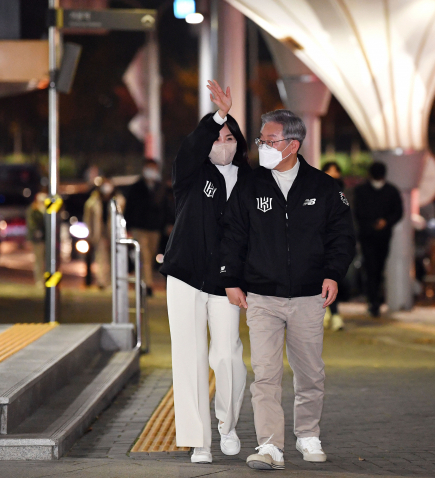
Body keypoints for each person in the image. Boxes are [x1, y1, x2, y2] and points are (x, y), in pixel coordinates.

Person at [219, 110, 355, 470]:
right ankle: (270, 446)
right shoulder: (250, 185)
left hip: (310, 297)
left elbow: (342, 237)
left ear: (292, 145)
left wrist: (333, 274)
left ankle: (308, 435)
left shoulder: (323, 187)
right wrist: (230, 279)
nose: (261, 145)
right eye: (261, 139)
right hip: (262, 297)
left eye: (269, 140)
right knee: (265, 375)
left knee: (310, 373)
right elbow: (232, 234)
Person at [159, 80, 251, 464]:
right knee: (189, 356)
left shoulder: (251, 181)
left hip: (226, 283)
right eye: (218, 136)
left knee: (227, 355)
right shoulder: (191, 175)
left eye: (230, 137)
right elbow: (191, 148)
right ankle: (199, 440)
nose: (223, 142)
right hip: (184, 276)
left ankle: (227, 425)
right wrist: (219, 116)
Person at [353, 162, 403, 316]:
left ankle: (374, 300)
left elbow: (358, 212)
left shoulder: (362, 191)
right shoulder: (390, 191)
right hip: (372, 236)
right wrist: (384, 222)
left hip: (376, 236)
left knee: (375, 268)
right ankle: (374, 301)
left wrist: (384, 222)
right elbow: (398, 212)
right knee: (373, 268)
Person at [124, 159, 166, 296]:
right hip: (139, 227)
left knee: (150, 255)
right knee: (144, 256)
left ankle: (141, 281)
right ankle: (147, 285)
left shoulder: (160, 187)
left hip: (155, 228)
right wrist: (129, 226)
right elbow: (129, 208)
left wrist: (166, 224)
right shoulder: (136, 187)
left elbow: (166, 208)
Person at [83, 178, 124, 289]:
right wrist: (90, 235)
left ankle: (112, 282)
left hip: (114, 234)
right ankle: (102, 282)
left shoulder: (118, 200)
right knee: (101, 258)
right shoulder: (93, 201)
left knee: (114, 259)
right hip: (99, 233)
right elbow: (88, 219)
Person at [321, 161, 347, 331]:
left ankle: (334, 313)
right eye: (329, 171)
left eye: (335, 171)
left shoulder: (343, 194)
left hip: (336, 242)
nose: (332, 174)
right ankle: (329, 312)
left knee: (333, 277)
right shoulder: (315, 190)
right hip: (319, 241)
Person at [26, 192, 47, 286]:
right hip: (37, 240)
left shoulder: (47, 210)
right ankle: (39, 280)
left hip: (46, 239)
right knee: (39, 260)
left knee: (46, 260)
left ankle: (46, 279)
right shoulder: (33, 210)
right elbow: (31, 224)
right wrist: (36, 232)